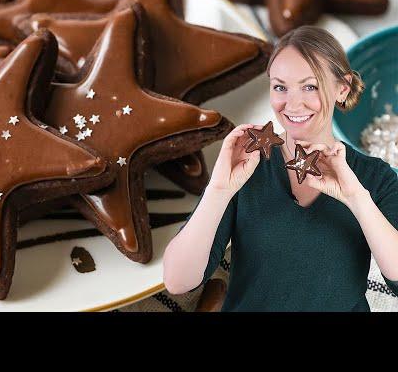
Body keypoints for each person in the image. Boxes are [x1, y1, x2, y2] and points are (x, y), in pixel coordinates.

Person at [162, 25, 398, 311]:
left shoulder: (376, 178)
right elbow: (178, 281)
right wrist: (219, 189)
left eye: (310, 86)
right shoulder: (247, 166)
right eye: (280, 87)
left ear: (342, 88)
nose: (292, 103)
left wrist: (355, 197)